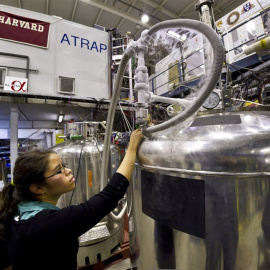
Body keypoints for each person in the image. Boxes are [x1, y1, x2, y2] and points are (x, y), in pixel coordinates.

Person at [0, 129, 144, 270]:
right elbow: (110, 195)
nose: (68, 171)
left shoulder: (15, 209)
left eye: (64, 165)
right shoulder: (49, 224)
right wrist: (131, 148)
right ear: (38, 188)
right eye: (59, 170)